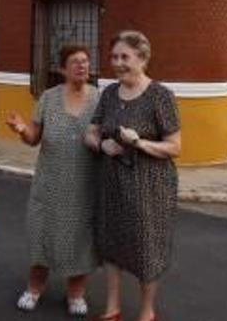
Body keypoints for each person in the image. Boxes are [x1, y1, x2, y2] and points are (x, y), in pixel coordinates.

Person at [82, 31, 182, 321]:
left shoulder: (160, 96)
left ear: (142, 58)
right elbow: (91, 132)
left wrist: (138, 142)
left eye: (125, 56)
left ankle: (147, 313)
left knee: (146, 246)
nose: (118, 63)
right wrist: (102, 144)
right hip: (112, 182)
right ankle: (112, 309)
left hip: (149, 185)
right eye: (114, 57)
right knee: (111, 242)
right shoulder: (110, 93)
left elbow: (175, 147)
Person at [6, 44, 101, 317]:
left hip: (85, 185)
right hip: (50, 183)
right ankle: (35, 288)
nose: (82, 66)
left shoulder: (99, 99)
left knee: (81, 239)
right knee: (43, 235)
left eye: (85, 61)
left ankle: (76, 294)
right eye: (75, 62)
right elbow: (34, 138)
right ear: (63, 68)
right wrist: (22, 129)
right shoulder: (48, 97)